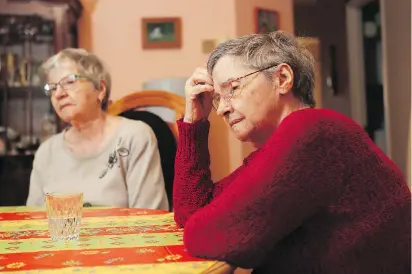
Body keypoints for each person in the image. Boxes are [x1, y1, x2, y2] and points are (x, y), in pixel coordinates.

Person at [173, 31, 411, 274]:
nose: (222, 109)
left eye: (233, 88)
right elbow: (191, 212)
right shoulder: (288, 143)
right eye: (216, 100)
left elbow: (219, 238)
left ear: (283, 78)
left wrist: (207, 226)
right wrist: (194, 123)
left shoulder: (313, 132)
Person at [26, 48, 169, 210]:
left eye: (69, 82)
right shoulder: (46, 152)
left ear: (100, 89)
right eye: (52, 88)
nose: (58, 94)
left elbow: (149, 218)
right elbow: (34, 221)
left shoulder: (133, 137)